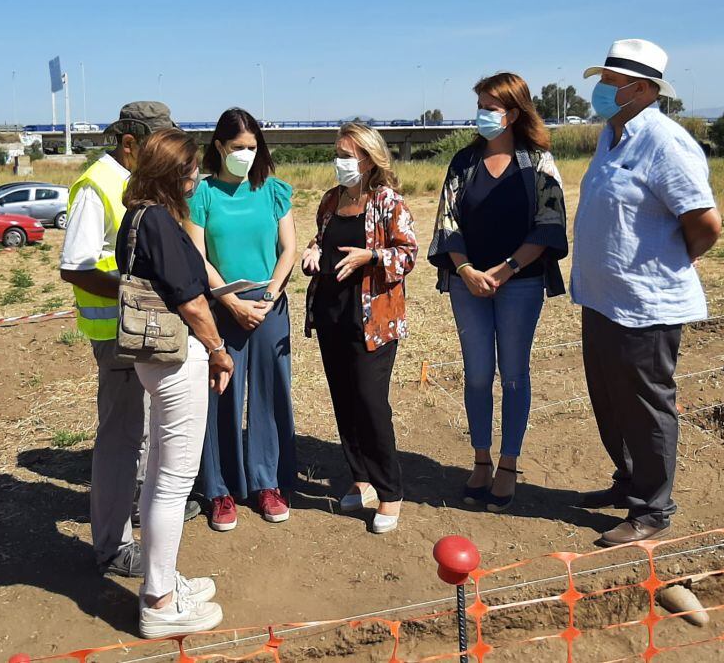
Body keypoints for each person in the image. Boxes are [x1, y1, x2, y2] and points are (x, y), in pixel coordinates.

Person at [572, 39, 721, 547]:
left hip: (646, 305)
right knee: (610, 399)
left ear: (641, 89)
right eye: (603, 81)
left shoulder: (664, 141)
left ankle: (653, 510)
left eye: (611, 84)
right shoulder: (611, 136)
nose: (601, 91)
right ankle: (629, 482)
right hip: (602, 298)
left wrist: (671, 261)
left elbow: (705, 223)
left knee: (647, 405)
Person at [59, 101, 198, 581]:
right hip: (116, 332)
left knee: (140, 432)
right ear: (130, 143)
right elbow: (73, 266)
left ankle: (138, 509)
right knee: (120, 438)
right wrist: (136, 290)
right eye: (157, 143)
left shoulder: (133, 184)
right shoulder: (99, 185)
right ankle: (114, 547)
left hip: (139, 331)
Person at [427, 73, 568, 514]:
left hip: (519, 283)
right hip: (467, 284)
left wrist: (506, 270)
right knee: (476, 373)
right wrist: (466, 270)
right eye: (481, 105)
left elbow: (550, 225)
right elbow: (446, 222)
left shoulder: (538, 161)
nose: (483, 114)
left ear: (512, 112)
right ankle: (481, 459)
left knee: (513, 373)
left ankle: (509, 463)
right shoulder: (463, 162)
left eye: (490, 106)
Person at [115, 127, 234, 637]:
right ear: (172, 174)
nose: (196, 178)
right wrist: (218, 350)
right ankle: (160, 604)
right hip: (176, 357)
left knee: (162, 470)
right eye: (190, 170)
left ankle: (162, 581)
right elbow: (190, 301)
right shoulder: (161, 222)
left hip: (151, 358)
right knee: (173, 481)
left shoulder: (136, 216)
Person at [185, 108, 298, 531]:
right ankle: (220, 489)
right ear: (219, 147)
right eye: (238, 148)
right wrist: (231, 301)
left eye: (252, 148)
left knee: (270, 393)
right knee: (221, 395)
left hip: (269, 305)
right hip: (221, 306)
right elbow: (197, 255)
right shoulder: (203, 195)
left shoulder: (274, 191)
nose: (246, 155)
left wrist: (269, 296)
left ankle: (267, 482)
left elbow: (288, 248)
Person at [302, 123, 417, 534]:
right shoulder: (331, 200)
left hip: (373, 319)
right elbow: (322, 239)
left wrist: (371, 256)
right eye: (337, 153)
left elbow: (408, 255)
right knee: (344, 401)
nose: (340, 161)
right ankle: (361, 479)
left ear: (368, 159)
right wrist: (313, 251)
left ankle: (391, 492)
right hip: (332, 315)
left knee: (370, 402)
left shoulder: (389, 203)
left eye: (347, 155)